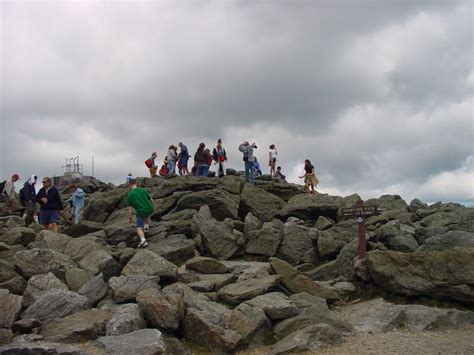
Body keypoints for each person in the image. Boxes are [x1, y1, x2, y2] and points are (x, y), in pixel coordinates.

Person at [126, 177, 153, 248]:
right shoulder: (143, 190)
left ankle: (143, 241)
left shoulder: (130, 194)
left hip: (141, 211)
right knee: (145, 214)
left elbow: (130, 208)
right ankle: (146, 227)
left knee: (139, 228)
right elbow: (151, 199)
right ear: (136, 184)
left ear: (130, 185)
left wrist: (130, 218)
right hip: (150, 208)